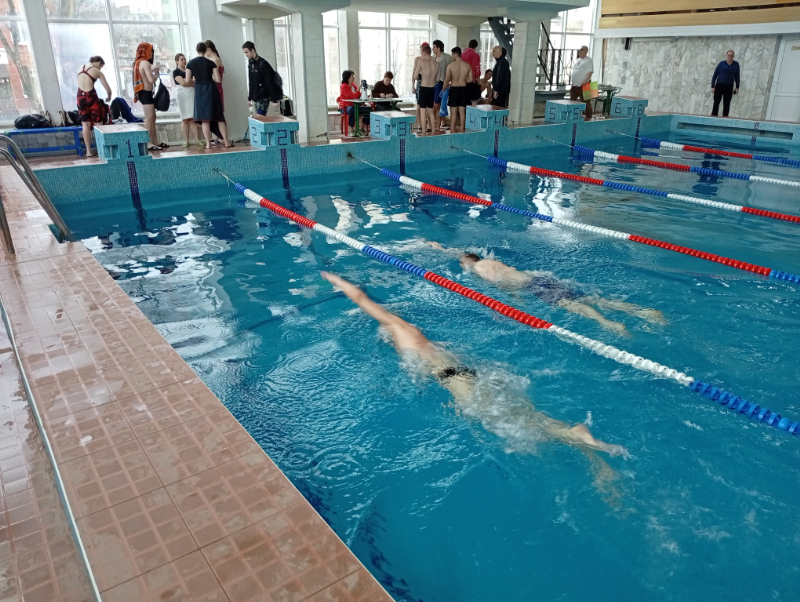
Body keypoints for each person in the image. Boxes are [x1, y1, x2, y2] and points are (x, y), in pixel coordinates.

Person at [321, 271, 629, 499]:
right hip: (466, 373)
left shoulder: (398, 329)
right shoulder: (420, 340)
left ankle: (574, 436)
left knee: (505, 424)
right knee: (519, 416)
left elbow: (362, 300)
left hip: (456, 378)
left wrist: (338, 282)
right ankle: (573, 434)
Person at [426, 242, 666, 337]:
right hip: (538, 278)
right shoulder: (490, 260)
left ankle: (609, 324)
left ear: (466, 263)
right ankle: (643, 312)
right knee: (588, 298)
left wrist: (514, 298)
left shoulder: (479, 269)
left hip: (530, 286)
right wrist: (439, 248)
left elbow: (500, 282)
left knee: (571, 306)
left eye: (462, 263)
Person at [185, 42, 230, 149]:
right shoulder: (211, 63)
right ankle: (226, 142)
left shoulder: (190, 63)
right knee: (219, 117)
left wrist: (197, 80)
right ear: (205, 50)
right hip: (211, 90)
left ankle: (208, 144)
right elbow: (218, 80)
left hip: (199, 91)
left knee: (204, 119)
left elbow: (187, 80)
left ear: (197, 50)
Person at [76, 55, 112, 157]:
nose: (100, 69)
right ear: (99, 63)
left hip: (80, 97)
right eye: (101, 66)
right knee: (98, 123)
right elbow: (108, 89)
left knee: (85, 125)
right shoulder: (97, 72)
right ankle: (102, 150)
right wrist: (109, 96)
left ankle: (88, 151)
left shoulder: (80, 68)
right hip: (91, 97)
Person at [133, 42, 164, 151]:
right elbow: (151, 80)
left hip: (145, 93)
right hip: (145, 93)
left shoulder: (137, 63)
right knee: (149, 118)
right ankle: (147, 142)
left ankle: (154, 140)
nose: (151, 54)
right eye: (150, 52)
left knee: (152, 117)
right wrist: (156, 74)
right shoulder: (144, 63)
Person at [242, 41, 282, 117]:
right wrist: (249, 98)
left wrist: (274, 100)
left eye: (247, 52)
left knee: (260, 118)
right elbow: (251, 82)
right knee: (260, 119)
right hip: (256, 96)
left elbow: (269, 82)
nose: (246, 55)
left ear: (252, 50)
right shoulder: (251, 64)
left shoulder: (263, 64)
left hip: (263, 96)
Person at [173, 53, 201, 148]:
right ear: (177, 61)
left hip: (191, 94)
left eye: (185, 59)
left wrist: (187, 81)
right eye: (182, 59)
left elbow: (194, 81)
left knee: (192, 119)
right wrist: (188, 81)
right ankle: (186, 140)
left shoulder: (189, 70)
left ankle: (197, 140)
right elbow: (183, 83)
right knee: (185, 119)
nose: (184, 61)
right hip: (182, 95)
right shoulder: (176, 72)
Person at [443, 47, 473, 133]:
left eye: (452, 55)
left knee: (453, 112)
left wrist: (443, 89)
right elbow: (471, 80)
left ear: (455, 54)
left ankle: (452, 130)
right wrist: (463, 80)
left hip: (454, 89)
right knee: (462, 112)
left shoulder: (451, 66)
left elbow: (447, 80)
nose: (452, 56)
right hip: (463, 89)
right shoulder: (467, 65)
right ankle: (462, 130)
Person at [412, 46, 439, 134]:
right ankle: (433, 131)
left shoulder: (421, 61)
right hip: (432, 88)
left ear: (424, 53)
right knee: (430, 111)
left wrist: (421, 75)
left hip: (423, 88)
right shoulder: (436, 64)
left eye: (422, 54)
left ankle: (423, 132)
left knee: (423, 111)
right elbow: (437, 79)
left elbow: (415, 76)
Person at [711, 50, 740, 118]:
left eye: (731, 56)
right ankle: (713, 117)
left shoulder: (736, 65)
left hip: (729, 87)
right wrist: (712, 86)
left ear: (733, 56)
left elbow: (737, 76)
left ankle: (725, 118)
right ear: (726, 56)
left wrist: (737, 87)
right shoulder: (721, 64)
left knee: (727, 103)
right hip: (719, 86)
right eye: (728, 55)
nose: (730, 57)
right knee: (716, 102)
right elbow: (715, 75)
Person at [338, 70, 367, 135]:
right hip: (345, 107)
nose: (353, 78)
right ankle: (351, 128)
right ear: (348, 77)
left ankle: (362, 128)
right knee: (353, 110)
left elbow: (358, 95)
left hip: (354, 105)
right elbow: (353, 96)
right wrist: (358, 89)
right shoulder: (343, 86)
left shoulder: (353, 85)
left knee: (368, 110)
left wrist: (365, 94)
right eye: (352, 76)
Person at [569, 45, 594, 122]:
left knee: (586, 102)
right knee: (572, 101)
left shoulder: (589, 60)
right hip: (575, 85)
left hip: (585, 84)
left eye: (582, 50)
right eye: (579, 50)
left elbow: (590, 72)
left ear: (586, 51)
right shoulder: (578, 60)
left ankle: (589, 117)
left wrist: (585, 81)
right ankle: (571, 116)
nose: (579, 51)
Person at [432, 39, 452, 131]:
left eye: (434, 47)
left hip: (442, 82)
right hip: (433, 83)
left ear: (438, 48)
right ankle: (433, 124)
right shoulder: (433, 58)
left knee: (439, 104)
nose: (433, 49)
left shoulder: (447, 57)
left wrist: (448, 82)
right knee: (434, 105)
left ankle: (439, 124)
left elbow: (451, 70)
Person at [411, 42, 430, 132]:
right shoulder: (418, 59)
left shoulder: (431, 59)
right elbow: (414, 73)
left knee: (429, 107)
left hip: (429, 84)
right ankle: (420, 125)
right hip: (420, 83)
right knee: (419, 106)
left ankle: (429, 125)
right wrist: (412, 86)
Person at [461, 39, 482, 104]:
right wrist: (479, 81)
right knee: (473, 102)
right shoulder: (476, 55)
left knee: (463, 102)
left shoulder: (462, 54)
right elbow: (477, 69)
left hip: (462, 81)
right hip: (472, 81)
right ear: (476, 46)